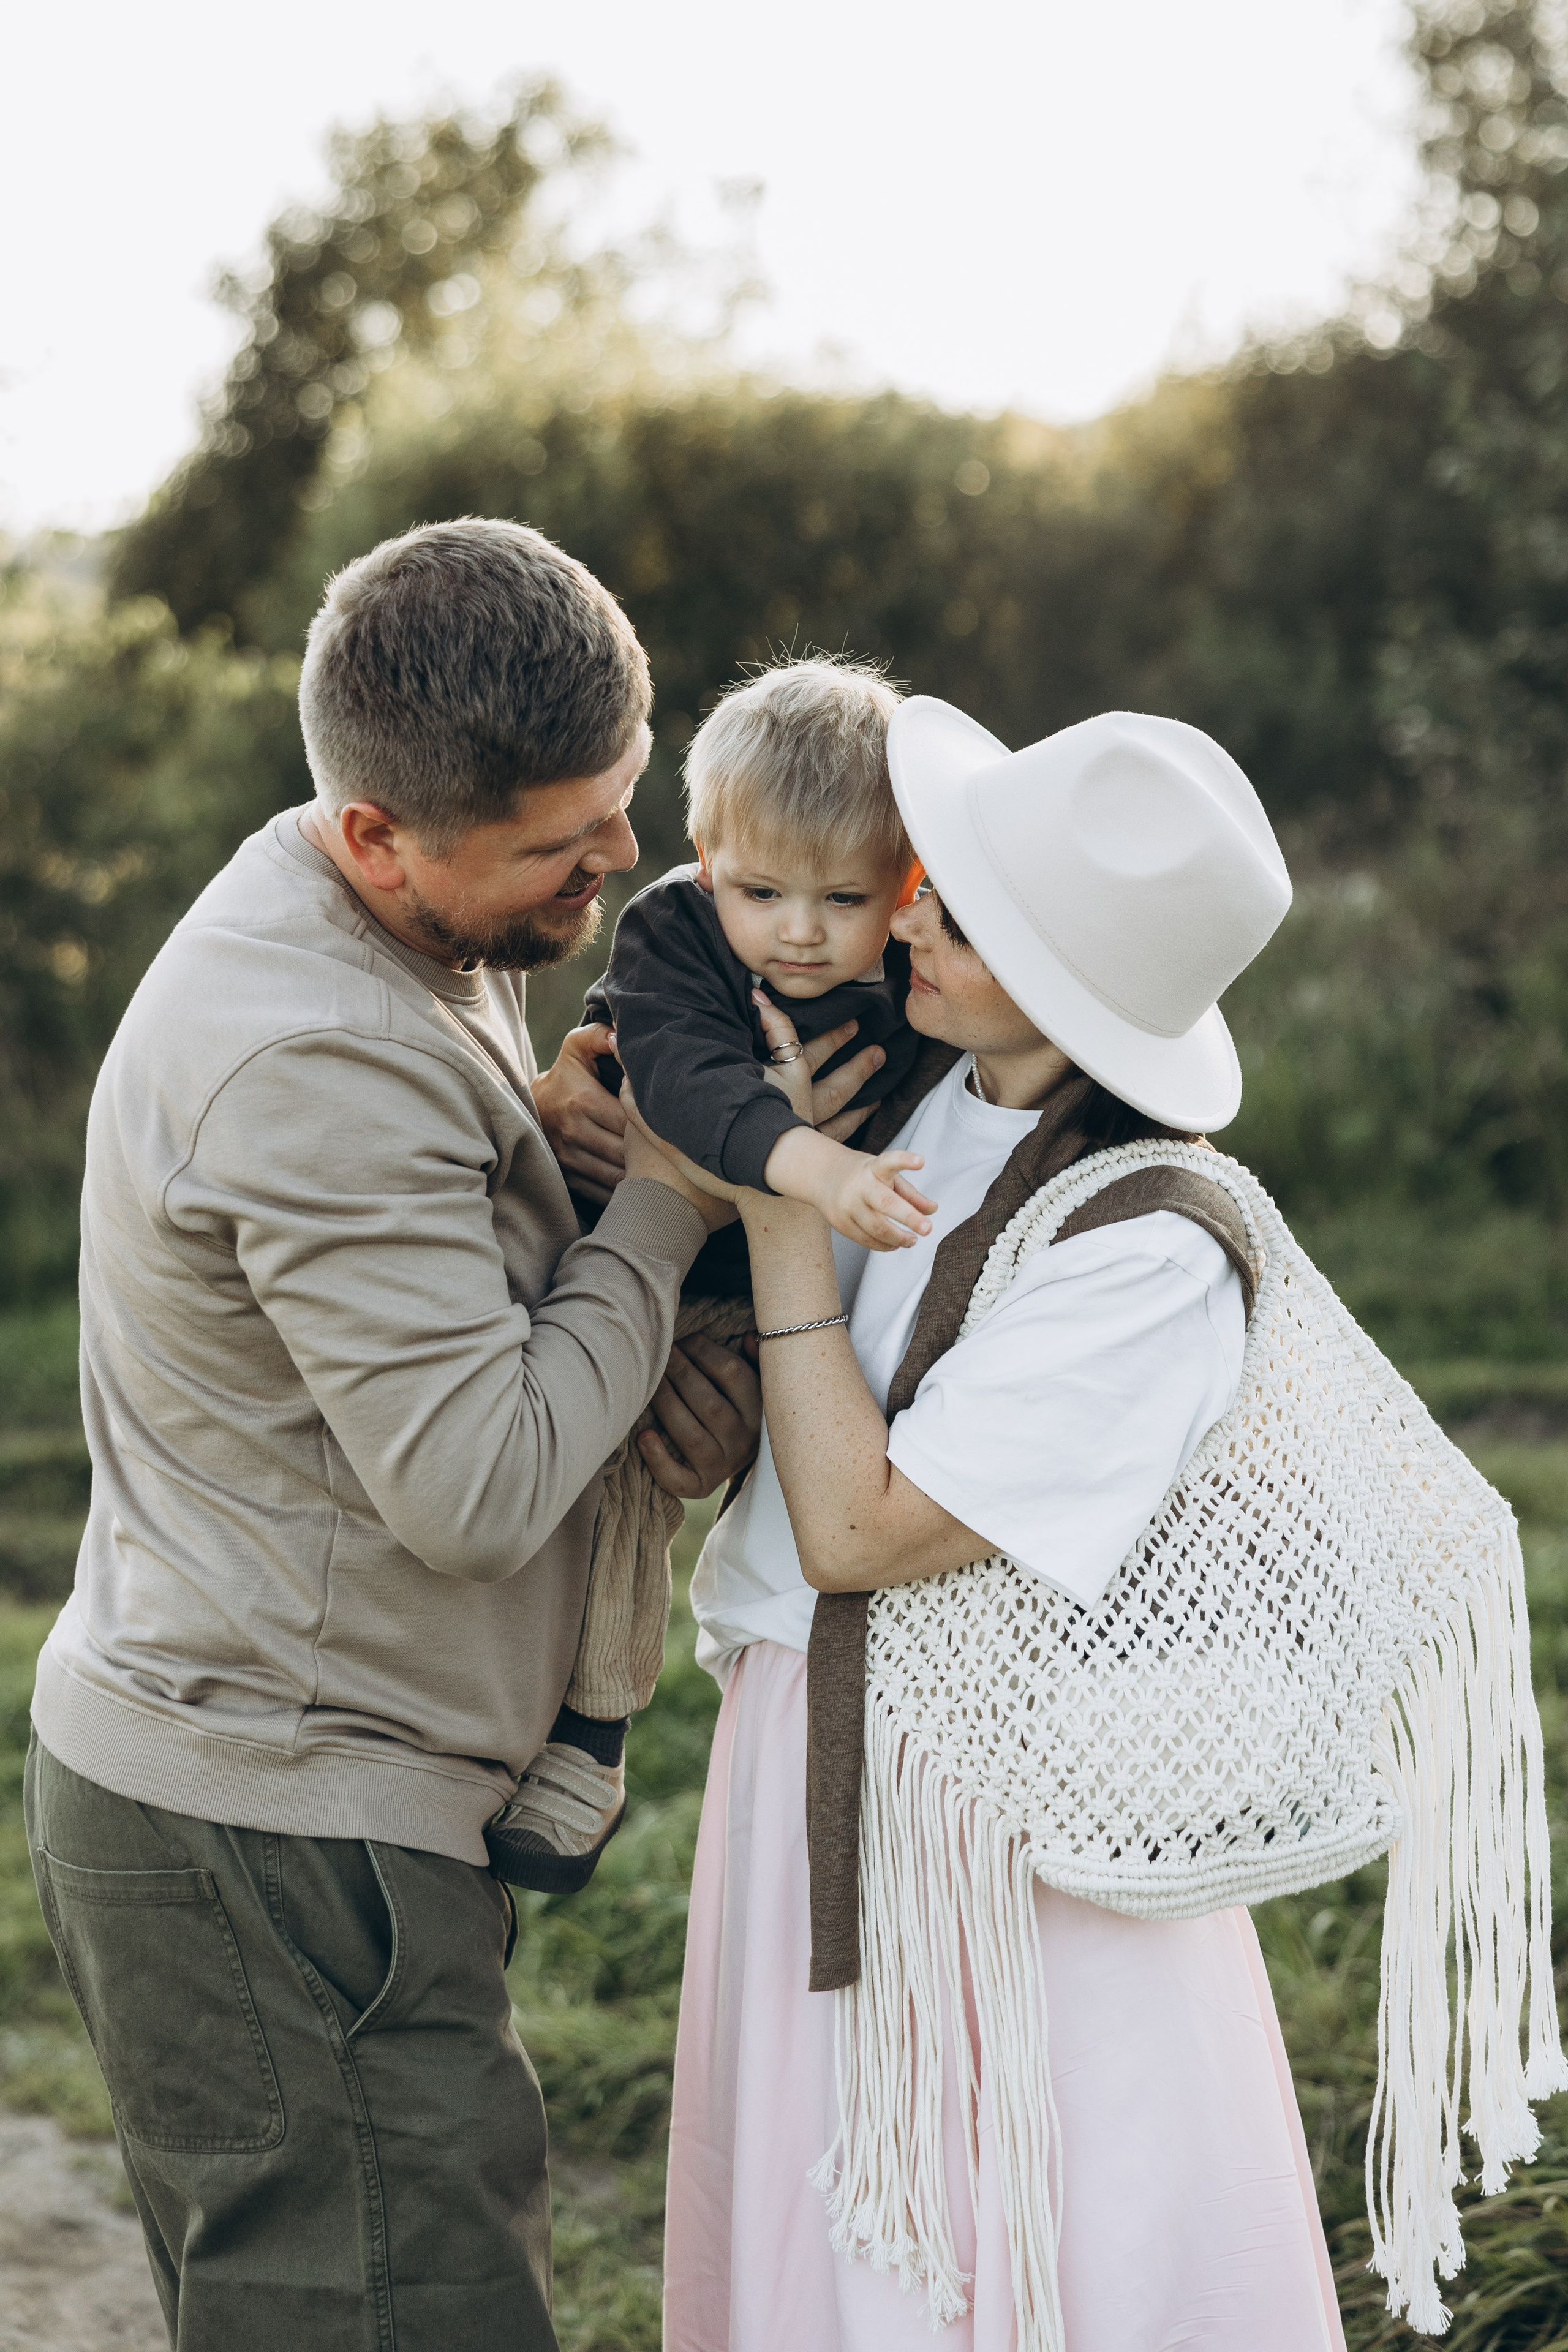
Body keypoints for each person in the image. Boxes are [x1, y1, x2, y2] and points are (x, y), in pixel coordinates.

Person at [22, 519, 879, 2352]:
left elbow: (452, 1318)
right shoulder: (310, 1052)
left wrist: (613, 1296)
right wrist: (660, 1203)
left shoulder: (423, 922)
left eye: (625, 801)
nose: (628, 861)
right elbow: (479, 1487)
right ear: (375, 835)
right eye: (564, 842)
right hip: (278, 1838)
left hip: (285, 1794)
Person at [644, 701, 1348, 2350]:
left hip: (993, 1831)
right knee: (820, 2232)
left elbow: (862, 1531)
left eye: (957, 912)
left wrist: (777, 1200)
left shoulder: (1148, 1246)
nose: (906, 917)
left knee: (1017, 2235)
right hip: (804, 1750)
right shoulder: (908, 1088)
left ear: (1068, 978)